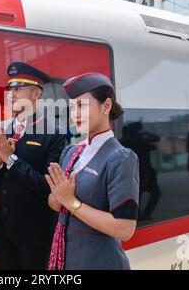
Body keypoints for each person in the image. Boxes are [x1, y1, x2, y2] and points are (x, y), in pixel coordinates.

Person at [0, 62, 66, 270]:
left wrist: (10, 160)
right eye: (10, 89)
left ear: (36, 94)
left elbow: (48, 186)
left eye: (18, 89)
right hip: (3, 232)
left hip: (35, 234)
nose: (11, 94)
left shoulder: (54, 132)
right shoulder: (2, 128)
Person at [46, 73, 139, 270]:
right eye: (72, 108)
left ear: (106, 106)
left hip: (100, 261)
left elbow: (124, 229)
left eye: (82, 106)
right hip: (67, 260)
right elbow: (55, 203)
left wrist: (71, 202)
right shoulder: (70, 152)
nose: (75, 114)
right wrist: (59, 197)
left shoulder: (120, 157)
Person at [120, 122, 161, 221]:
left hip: (132, 171)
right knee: (156, 193)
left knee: (137, 195)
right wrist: (144, 132)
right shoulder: (142, 139)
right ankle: (145, 214)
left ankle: (137, 216)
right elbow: (157, 138)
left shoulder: (123, 141)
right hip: (145, 171)